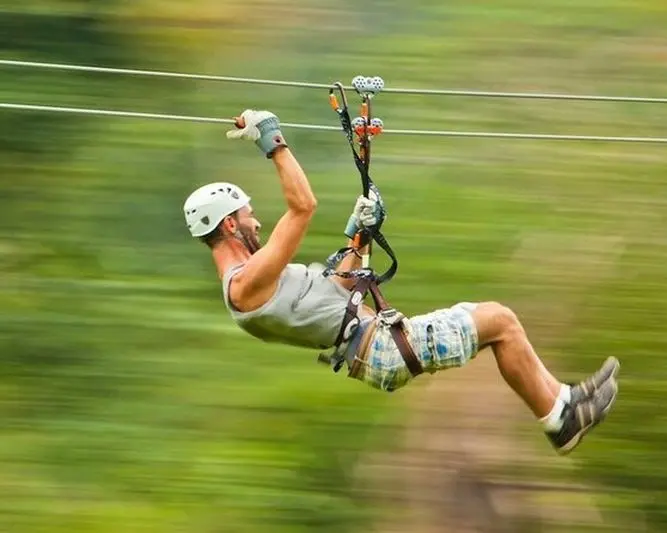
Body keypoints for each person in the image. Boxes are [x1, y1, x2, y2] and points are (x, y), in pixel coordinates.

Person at [182, 109, 619, 455]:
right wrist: (272, 140)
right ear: (230, 227)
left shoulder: (262, 281)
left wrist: (361, 233)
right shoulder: (245, 286)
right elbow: (302, 207)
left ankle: (562, 404)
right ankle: (559, 418)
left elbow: (341, 287)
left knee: (489, 320)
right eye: (247, 215)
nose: (256, 221)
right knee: (500, 320)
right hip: (383, 347)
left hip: (378, 345)